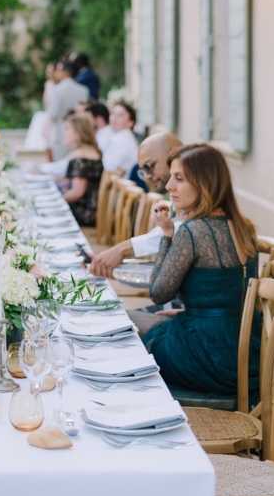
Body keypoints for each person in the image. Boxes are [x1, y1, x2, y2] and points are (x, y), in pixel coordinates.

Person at [142, 143, 260, 395]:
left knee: (132, 338)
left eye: (179, 178)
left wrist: (166, 234)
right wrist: (194, 312)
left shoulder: (193, 232)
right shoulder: (244, 228)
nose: (168, 186)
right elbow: (236, 292)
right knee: (147, 323)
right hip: (247, 352)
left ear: (204, 183)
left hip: (208, 357)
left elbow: (158, 292)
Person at [90, 131, 183, 278]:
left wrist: (122, 250)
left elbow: (182, 231)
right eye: (143, 170)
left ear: (173, 154)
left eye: (149, 166)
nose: (147, 177)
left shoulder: (198, 186)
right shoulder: (178, 190)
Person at [61, 113, 103, 227]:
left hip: (85, 214)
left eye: (67, 129)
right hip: (93, 210)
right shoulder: (94, 151)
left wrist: (57, 201)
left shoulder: (79, 157)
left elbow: (77, 192)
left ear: (77, 133)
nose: (64, 133)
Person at [47, 60, 89, 159]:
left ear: (65, 72)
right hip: (80, 132)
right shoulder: (84, 90)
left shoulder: (57, 89)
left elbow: (53, 114)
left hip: (60, 132)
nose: (56, 73)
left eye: (58, 70)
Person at [102, 100, 138, 176]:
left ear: (130, 122)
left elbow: (109, 170)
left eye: (120, 115)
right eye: (112, 113)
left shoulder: (122, 139)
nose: (114, 118)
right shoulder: (123, 137)